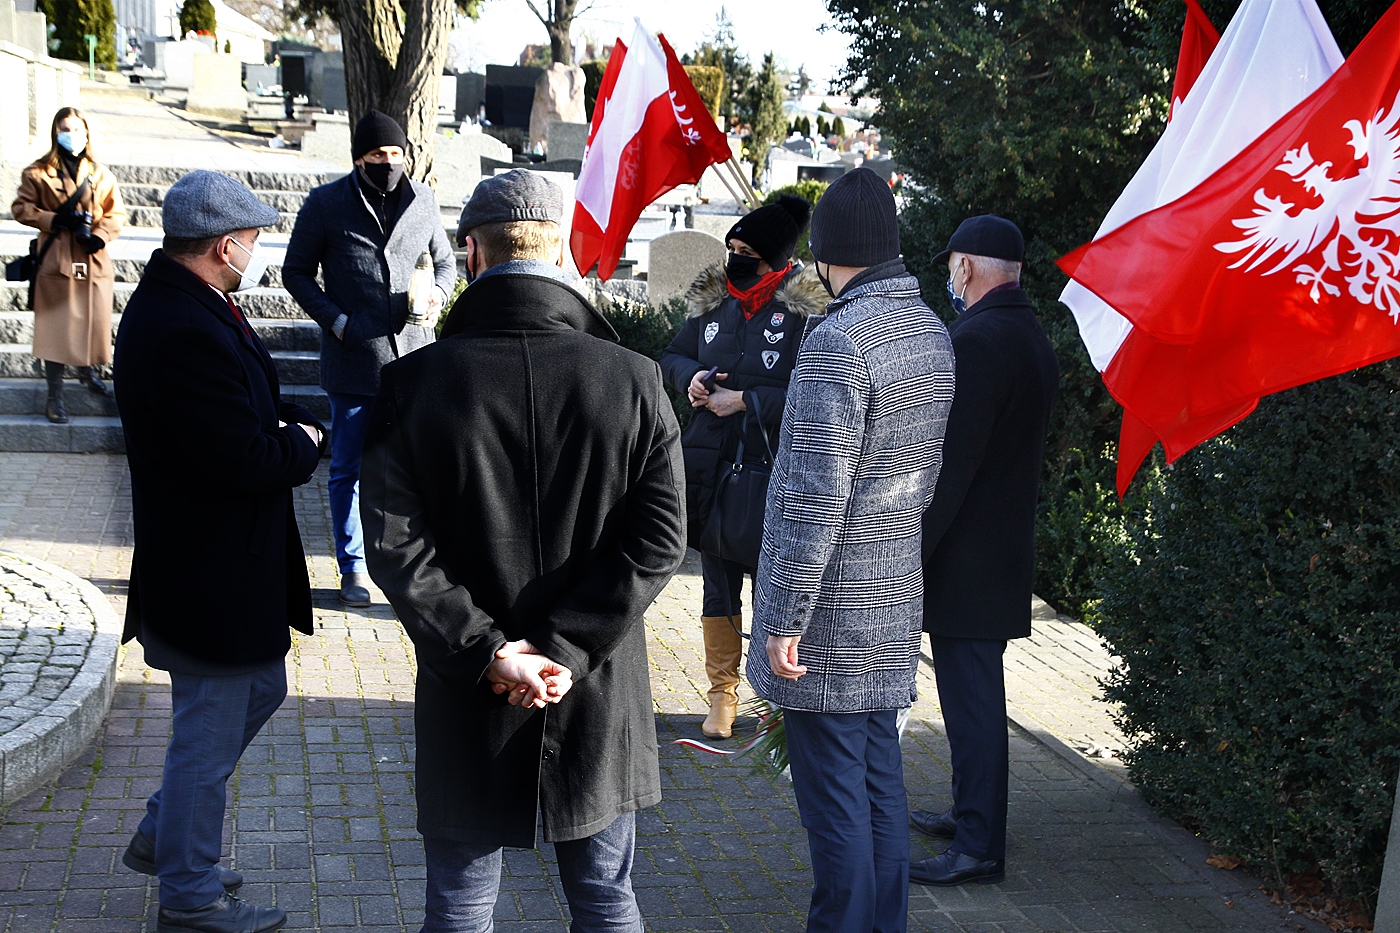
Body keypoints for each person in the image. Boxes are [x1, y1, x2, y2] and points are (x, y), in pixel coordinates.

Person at [360, 169, 687, 933]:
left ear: (472, 253)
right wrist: (566, 648)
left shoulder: (414, 383)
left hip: (470, 683)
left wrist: (490, 651)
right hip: (596, 684)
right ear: (565, 251)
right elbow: (661, 540)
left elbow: (394, 545)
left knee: (460, 907)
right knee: (607, 899)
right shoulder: (636, 380)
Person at [113, 170, 327, 933]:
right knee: (205, 737)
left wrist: (293, 422)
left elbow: (252, 407)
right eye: (254, 239)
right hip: (209, 571)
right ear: (222, 243)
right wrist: (301, 445)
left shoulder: (197, 303)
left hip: (221, 565)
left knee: (259, 689)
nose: (258, 251)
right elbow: (243, 457)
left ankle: (164, 837)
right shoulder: (180, 324)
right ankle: (190, 894)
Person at [746, 167, 955, 933]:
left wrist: (784, 615)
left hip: (830, 611)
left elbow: (812, 496)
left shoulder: (838, 342)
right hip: (894, 591)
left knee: (836, 803)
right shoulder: (929, 328)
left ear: (829, 252)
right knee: (878, 788)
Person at [908, 215, 1059, 887]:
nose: (949, 276)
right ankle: (973, 816)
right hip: (995, 553)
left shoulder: (977, 341)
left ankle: (978, 846)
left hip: (968, 558)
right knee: (973, 700)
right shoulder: (1027, 334)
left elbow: (950, 467)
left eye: (951, 265)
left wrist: (907, 552)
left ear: (966, 267)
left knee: (972, 705)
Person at [659, 195, 823, 739]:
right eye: (731, 248)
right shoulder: (711, 299)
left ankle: (779, 699)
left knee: (776, 584)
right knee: (717, 582)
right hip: (710, 462)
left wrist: (748, 400)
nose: (735, 259)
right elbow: (673, 354)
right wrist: (693, 379)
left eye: (747, 251)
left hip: (772, 467)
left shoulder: (809, 310)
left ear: (775, 259)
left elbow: (816, 391)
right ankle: (722, 694)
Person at [282, 109, 455, 608]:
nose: (388, 162)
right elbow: (296, 273)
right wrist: (337, 322)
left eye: (396, 153)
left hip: (413, 361)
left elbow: (445, 261)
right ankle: (352, 567)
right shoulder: (325, 204)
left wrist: (438, 296)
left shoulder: (422, 199)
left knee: (416, 466)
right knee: (349, 470)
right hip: (354, 359)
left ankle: (413, 567)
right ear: (360, 157)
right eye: (378, 154)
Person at [11, 106, 126, 423]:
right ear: (55, 132)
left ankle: (88, 372)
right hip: (57, 259)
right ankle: (54, 396)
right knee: (56, 329)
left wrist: (100, 236)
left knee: (93, 323)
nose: (71, 135)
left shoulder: (100, 173)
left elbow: (115, 214)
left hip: (92, 259)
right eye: (65, 128)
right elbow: (21, 208)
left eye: (77, 129)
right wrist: (54, 219)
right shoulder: (38, 172)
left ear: (86, 133)